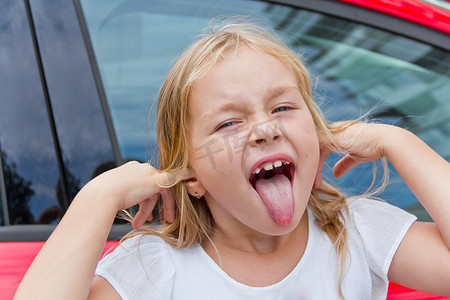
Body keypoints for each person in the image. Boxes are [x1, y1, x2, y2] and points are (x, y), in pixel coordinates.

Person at [14, 21, 450, 300]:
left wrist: (397, 142)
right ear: (192, 176)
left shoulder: (354, 233)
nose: (264, 129)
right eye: (228, 124)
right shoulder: (157, 268)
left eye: (282, 109)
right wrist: (99, 195)